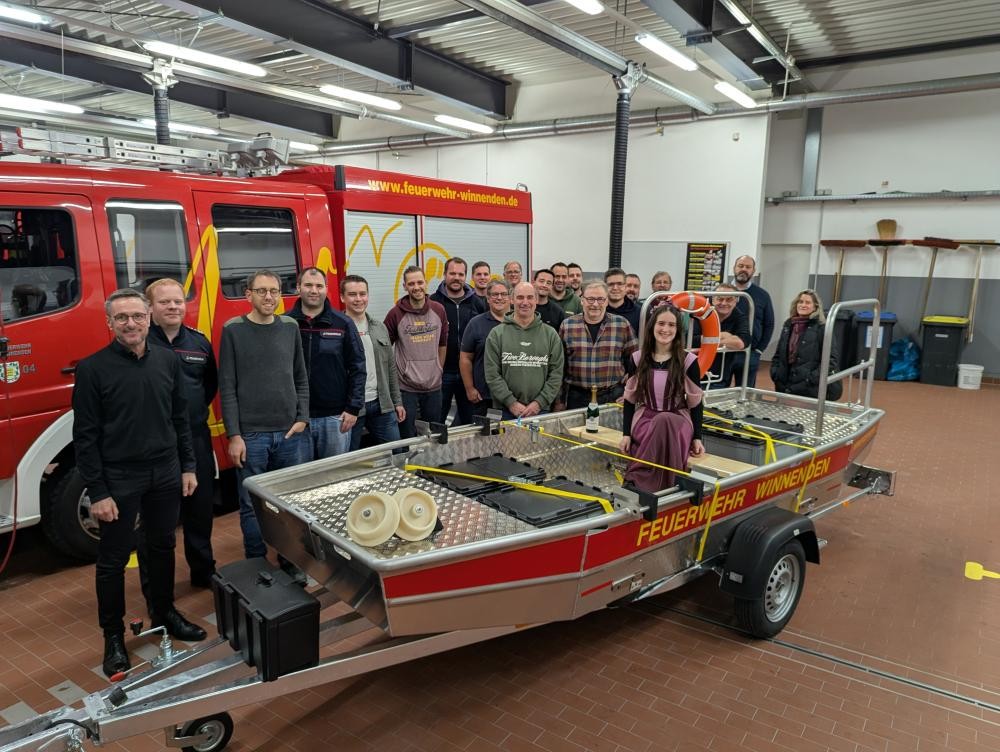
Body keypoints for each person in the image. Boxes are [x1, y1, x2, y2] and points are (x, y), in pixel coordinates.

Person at [73, 289, 205, 678]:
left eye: (136, 316)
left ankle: (164, 612)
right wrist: (98, 491)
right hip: (120, 477)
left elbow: (181, 418)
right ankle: (113, 638)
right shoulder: (93, 369)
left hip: (165, 471)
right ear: (109, 324)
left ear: (148, 318)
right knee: (113, 561)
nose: (130, 324)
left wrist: (188, 467)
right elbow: (85, 436)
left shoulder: (167, 360)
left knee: (162, 545)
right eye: (121, 318)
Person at [219, 270, 310, 565]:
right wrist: (234, 435)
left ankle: (289, 562)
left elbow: (300, 376)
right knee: (250, 505)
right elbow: (227, 386)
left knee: (289, 504)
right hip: (251, 437)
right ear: (248, 295)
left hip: (289, 433)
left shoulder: (290, 327)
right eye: (261, 291)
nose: (269, 297)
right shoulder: (233, 330)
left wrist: (302, 418)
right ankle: (256, 565)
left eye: (274, 290)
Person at [143, 279, 217, 590]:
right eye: (164, 302)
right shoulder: (142, 343)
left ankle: (203, 573)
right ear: (150, 308)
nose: (173, 307)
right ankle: (158, 586)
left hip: (196, 439)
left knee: (199, 511)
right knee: (157, 519)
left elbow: (209, 385)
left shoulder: (199, 343)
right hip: (157, 443)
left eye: (177, 301)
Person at [619, 304, 705, 494]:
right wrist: (626, 433)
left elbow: (696, 403)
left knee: (664, 419)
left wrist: (698, 437)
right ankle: (664, 486)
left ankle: (637, 477)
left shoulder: (688, 361)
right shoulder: (637, 358)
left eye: (671, 325)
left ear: (677, 330)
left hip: (678, 420)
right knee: (659, 421)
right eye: (661, 323)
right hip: (646, 419)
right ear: (652, 326)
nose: (665, 329)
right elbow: (630, 400)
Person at [287, 267, 366, 458]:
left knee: (334, 478)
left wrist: (353, 408)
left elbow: (358, 367)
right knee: (300, 478)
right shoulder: (285, 323)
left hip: (334, 417)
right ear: (298, 287)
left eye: (318, 286)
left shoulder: (343, 323)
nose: (314, 290)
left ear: (326, 289)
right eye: (308, 285)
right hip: (296, 417)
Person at [341, 274, 406, 450]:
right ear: (342, 297)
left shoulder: (379, 327)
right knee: (349, 461)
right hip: (350, 408)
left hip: (381, 405)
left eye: (362, 294)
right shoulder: (337, 329)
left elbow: (390, 367)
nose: (358, 299)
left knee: (396, 453)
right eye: (352, 294)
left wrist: (397, 401)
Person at [383, 265, 448, 438]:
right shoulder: (395, 314)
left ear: (426, 283)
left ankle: (433, 464)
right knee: (407, 434)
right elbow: (384, 349)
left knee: (434, 434)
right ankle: (409, 464)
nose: (416, 287)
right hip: (406, 387)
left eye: (420, 282)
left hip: (434, 385)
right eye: (411, 283)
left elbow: (442, 344)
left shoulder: (439, 310)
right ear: (404, 286)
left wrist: (438, 369)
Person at [485, 282, 564, 419]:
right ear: (512, 299)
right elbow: (492, 375)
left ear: (536, 300)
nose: (525, 302)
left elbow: (556, 374)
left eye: (530, 297)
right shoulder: (497, 334)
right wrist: (511, 403)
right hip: (504, 410)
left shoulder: (550, 334)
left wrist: (539, 403)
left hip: (540, 410)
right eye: (520, 297)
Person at [557, 280, 637, 410]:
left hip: (613, 396)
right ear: (582, 300)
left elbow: (637, 360)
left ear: (606, 301)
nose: (595, 304)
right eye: (590, 299)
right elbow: (560, 367)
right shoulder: (567, 325)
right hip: (577, 397)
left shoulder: (622, 325)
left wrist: (631, 391)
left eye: (600, 299)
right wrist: (559, 400)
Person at [430, 257, 485, 426]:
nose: (456, 277)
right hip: (442, 372)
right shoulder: (433, 302)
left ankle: (470, 453)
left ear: (466, 276)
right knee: (437, 422)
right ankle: (437, 453)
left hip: (469, 374)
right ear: (444, 274)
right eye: (452, 273)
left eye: (461, 274)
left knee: (470, 422)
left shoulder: (478, 303)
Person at [770, 289, 843, 400]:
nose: (803, 305)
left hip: (809, 389)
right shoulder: (788, 324)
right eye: (800, 302)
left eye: (807, 302)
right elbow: (778, 354)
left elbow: (830, 361)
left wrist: (811, 379)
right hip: (784, 385)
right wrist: (775, 373)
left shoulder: (822, 328)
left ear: (815, 307)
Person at [460, 279, 509, 417]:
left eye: (503, 294)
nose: (499, 298)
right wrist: (470, 389)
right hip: (483, 395)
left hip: (512, 396)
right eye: (495, 294)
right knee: (485, 436)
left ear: (510, 298)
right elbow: (465, 358)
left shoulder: (517, 324)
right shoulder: (476, 324)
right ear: (488, 298)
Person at [694, 283, 750, 389]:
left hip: (721, 376)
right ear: (713, 299)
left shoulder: (740, 317)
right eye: (719, 299)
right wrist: (726, 336)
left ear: (736, 301)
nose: (724, 303)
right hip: (695, 371)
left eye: (729, 299)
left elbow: (742, 342)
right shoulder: (702, 314)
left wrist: (709, 339)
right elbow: (690, 339)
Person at [730, 255, 774, 388]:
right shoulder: (720, 292)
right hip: (723, 352)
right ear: (734, 268)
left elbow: (769, 324)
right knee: (719, 391)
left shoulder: (762, 295)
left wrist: (759, 350)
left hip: (750, 353)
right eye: (740, 266)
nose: (743, 269)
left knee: (745, 395)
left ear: (754, 271)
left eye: (748, 267)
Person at [604, 268, 641, 334]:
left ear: (625, 286)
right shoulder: (599, 311)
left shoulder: (639, 313)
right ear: (605, 287)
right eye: (611, 284)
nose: (615, 288)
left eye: (620, 284)